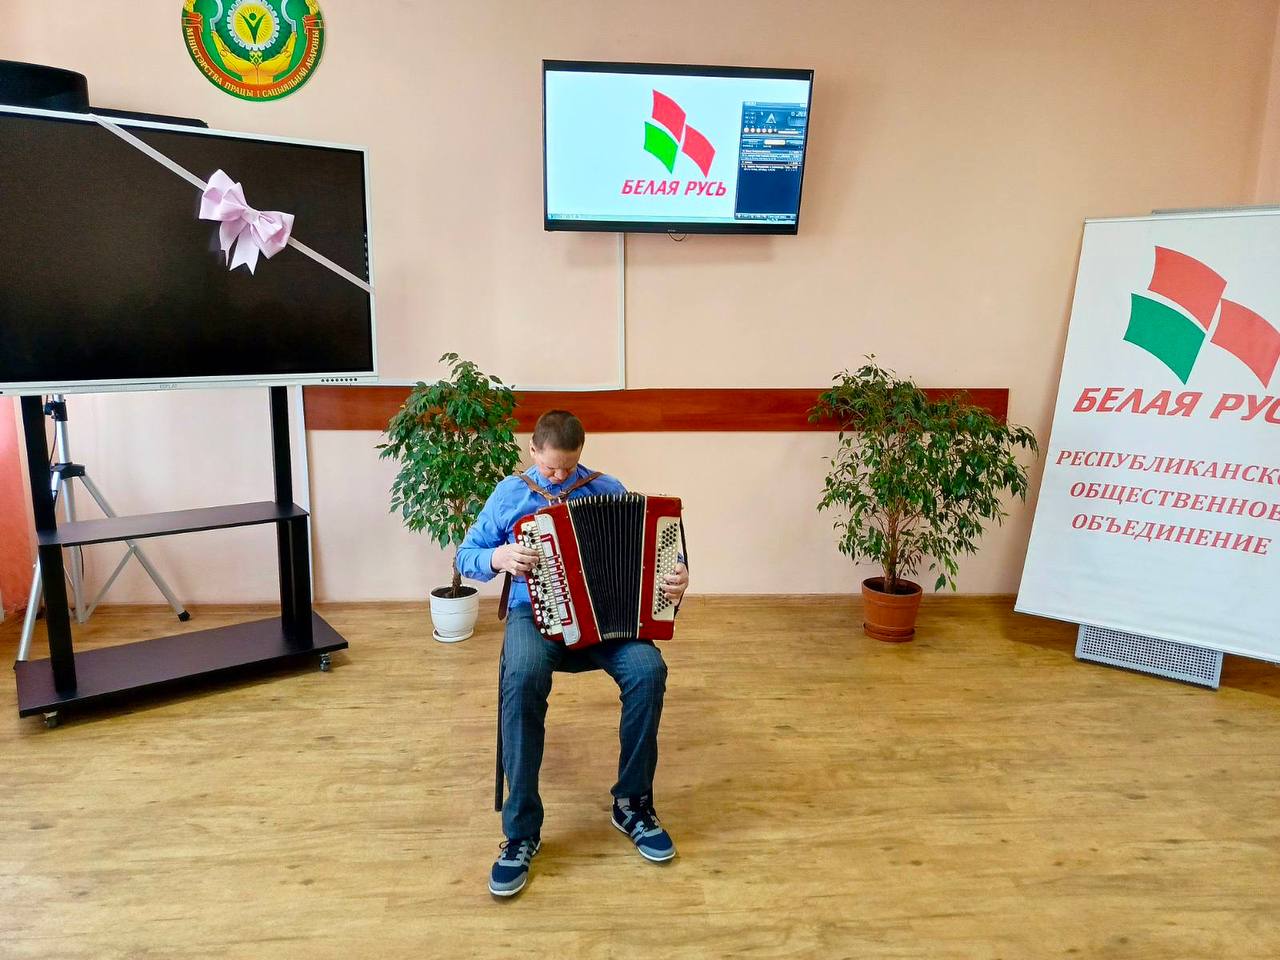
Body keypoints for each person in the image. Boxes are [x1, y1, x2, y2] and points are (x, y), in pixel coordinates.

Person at [456, 410, 689, 898]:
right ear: (533, 451)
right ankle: (521, 832)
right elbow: (465, 556)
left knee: (649, 671)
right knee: (522, 678)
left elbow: (657, 555)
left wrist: (676, 576)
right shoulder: (510, 493)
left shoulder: (606, 487)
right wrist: (499, 557)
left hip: (607, 622)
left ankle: (632, 804)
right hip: (534, 616)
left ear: (581, 453)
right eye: (551, 467)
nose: (560, 476)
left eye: (568, 466)